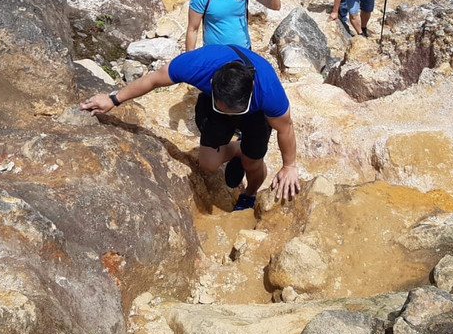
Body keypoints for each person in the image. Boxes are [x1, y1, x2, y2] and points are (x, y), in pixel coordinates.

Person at [80, 44, 300, 210]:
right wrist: (113, 99)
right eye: (226, 109)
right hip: (215, 106)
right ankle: (237, 149)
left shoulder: (268, 91)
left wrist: (289, 166)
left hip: (255, 114)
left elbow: (285, 128)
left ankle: (249, 195)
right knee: (208, 164)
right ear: (211, 84)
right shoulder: (197, 66)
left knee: (253, 163)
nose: (231, 114)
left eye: (235, 110)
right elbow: (153, 80)